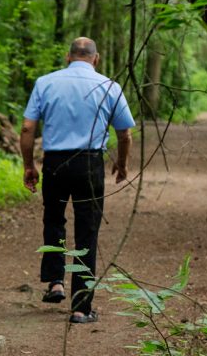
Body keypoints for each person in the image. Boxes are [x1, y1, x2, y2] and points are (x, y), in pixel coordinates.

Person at [21, 37, 134, 324]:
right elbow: (125, 134)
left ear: (67, 57)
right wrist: (122, 163)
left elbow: (27, 128)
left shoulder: (45, 83)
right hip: (89, 163)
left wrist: (29, 165)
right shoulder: (109, 86)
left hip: (55, 163)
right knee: (87, 231)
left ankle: (55, 282)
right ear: (96, 58)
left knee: (54, 219)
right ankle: (81, 307)